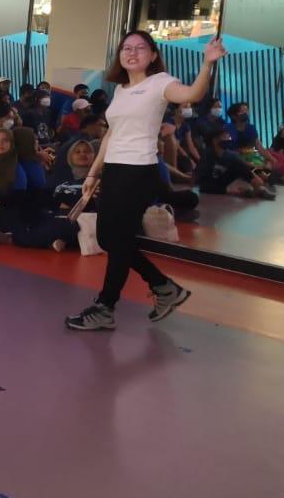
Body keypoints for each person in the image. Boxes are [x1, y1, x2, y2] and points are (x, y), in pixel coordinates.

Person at [65, 32, 226, 331]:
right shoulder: (121, 90)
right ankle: (164, 286)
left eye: (140, 48)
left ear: (152, 55)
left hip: (138, 171)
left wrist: (207, 64)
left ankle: (105, 307)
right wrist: (94, 173)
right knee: (109, 239)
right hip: (114, 170)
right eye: (127, 48)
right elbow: (111, 134)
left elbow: (192, 94)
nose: (132, 53)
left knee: (118, 239)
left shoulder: (160, 82)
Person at [195, 127, 275, 199]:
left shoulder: (231, 156)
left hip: (229, 181)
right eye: (224, 137)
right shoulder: (207, 157)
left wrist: (254, 180)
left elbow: (244, 169)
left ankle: (261, 190)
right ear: (215, 141)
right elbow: (202, 185)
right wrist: (227, 189)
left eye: (228, 136)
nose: (228, 139)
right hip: (214, 187)